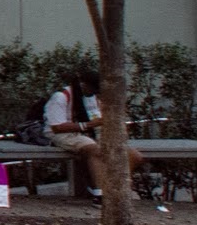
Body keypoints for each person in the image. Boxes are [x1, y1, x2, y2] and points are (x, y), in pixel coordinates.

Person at [44, 70, 146, 200]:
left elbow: (98, 119)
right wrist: (88, 125)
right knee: (95, 150)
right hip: (65, 133)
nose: (95, 92)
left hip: (90, 133)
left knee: (134, 156)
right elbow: (57, 127)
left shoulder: (93, 98)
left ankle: (114, 186)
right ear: (83, 85)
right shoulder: (61, 96)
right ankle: (100, 193)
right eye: (94, 89)